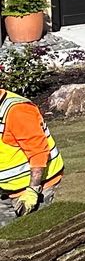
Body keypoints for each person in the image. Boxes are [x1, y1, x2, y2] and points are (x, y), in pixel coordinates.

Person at [0, 90, 61, 222]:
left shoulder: (17, 111)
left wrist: (33, 190)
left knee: (33, 235)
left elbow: (38, 152)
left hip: (35, 187)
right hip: (6, 189)